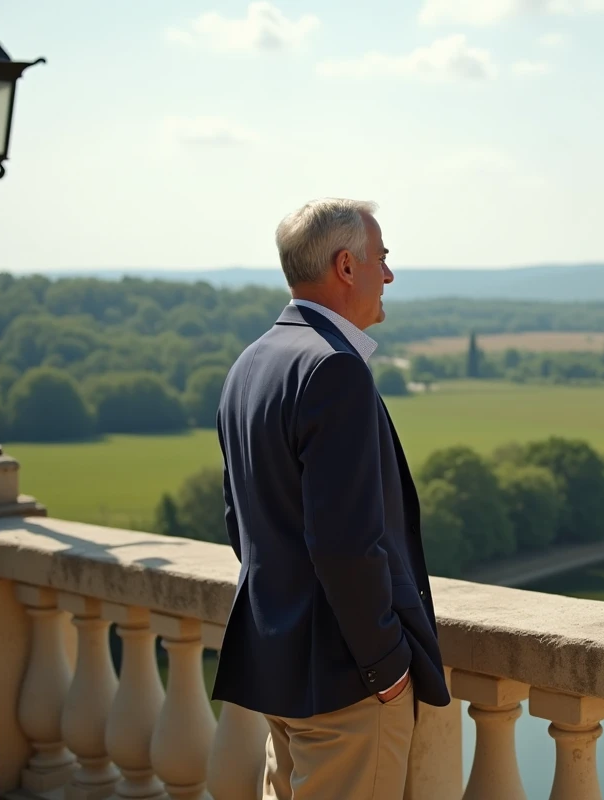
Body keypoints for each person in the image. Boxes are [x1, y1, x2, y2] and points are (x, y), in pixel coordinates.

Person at [211, 198, 449, 800]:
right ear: (347, 266)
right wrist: (386, 666)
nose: (389, 275)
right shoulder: (334, 370)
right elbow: (345, 544)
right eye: (382, 259)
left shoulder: (251, 363)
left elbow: (243, 525)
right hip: (347, 682)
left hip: (281, 665)